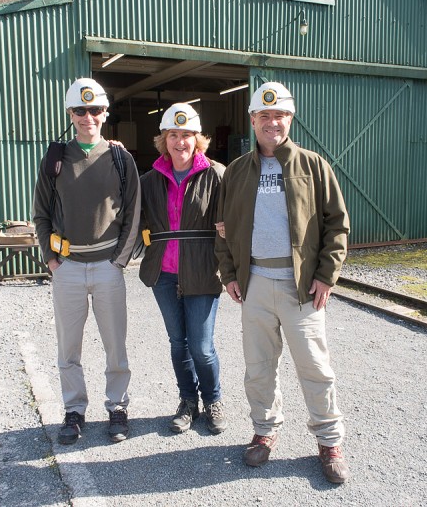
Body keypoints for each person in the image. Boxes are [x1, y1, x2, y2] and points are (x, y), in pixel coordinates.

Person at [214, 82, 351, 483]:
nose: (272, 123)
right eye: (264, 116)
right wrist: (229, 274)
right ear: (252, 120)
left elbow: (337, 225)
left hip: (301, 288)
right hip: (255, 283)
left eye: (279, 116)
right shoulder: (237, 171)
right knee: (259, 368)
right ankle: (264, 431)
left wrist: (326, 275)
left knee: (315, 368)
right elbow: (222, 229)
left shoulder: (313, 166)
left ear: (290, 119)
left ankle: (329, 441)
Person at [32, 77, 141, 445]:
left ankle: (117, 407)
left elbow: (133, 213)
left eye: (94, 109)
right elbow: (41, 214)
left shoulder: (120, 159)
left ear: (105, 112)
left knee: (115, 346)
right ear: (70, 114)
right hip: (68, 268)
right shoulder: (56, 159)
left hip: (108, 267)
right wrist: (52, 260)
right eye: (80, 110)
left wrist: (119, 261)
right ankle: (74, 410)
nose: (87, 116)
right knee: (68, 348)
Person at [138, 103, 227, 435]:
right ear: (164, 139)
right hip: (164, 273)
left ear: (197, 139)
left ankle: (213, 400)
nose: (180, 142)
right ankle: (188, 401)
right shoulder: (149, 180)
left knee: (201, 346)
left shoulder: (217, 175)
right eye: (173, 135)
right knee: (178, 342)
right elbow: (133, 217)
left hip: (203, 271)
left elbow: (235, 218)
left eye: (186, 135)